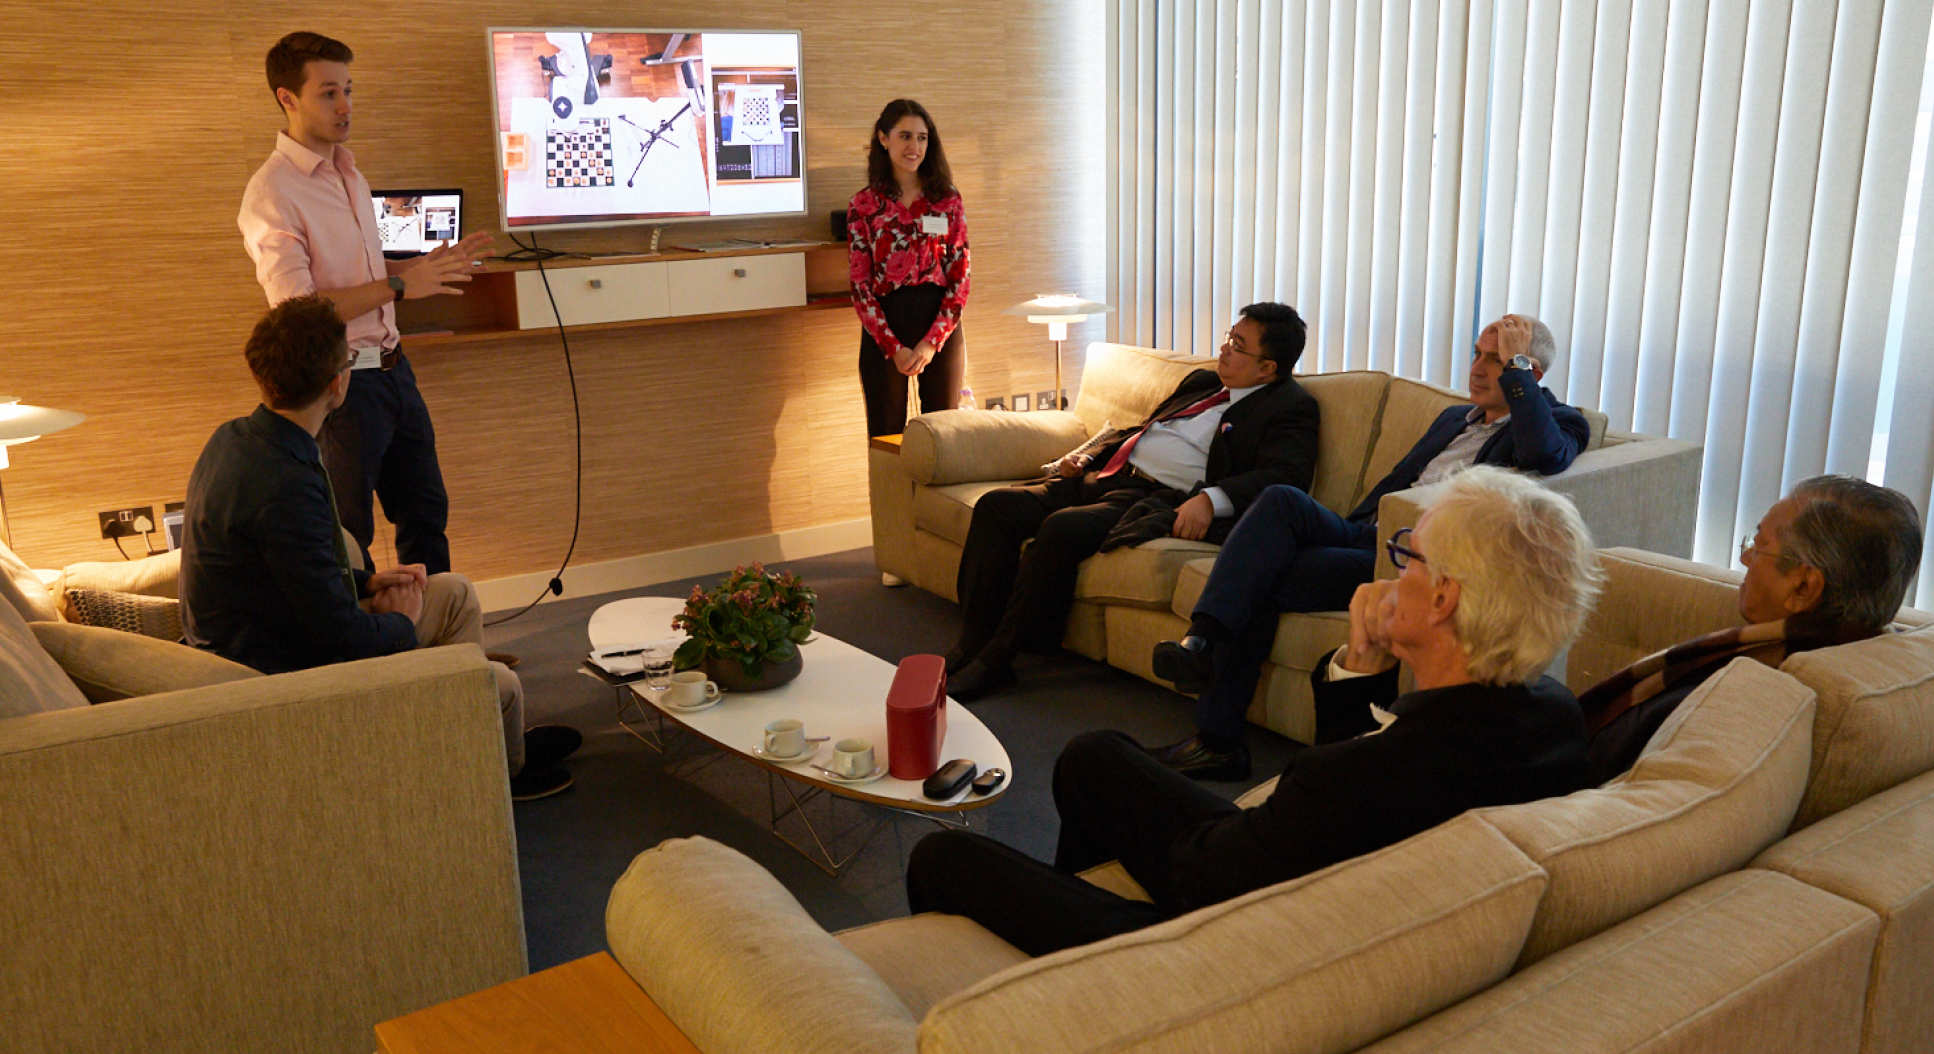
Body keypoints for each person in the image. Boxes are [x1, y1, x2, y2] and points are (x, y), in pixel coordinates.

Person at [905, 467, 1602, 955]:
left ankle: (1093, 973)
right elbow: (1372, 780)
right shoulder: (1556, 718)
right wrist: (1359, 662)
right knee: (1095, 756)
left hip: (1222, 941)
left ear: (1444, 600)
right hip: (1307, 884)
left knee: (944, 856)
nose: (1390, 575)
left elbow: (1218, 869)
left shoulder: (1352, 779)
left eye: (1407, 558)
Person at [1149, 313, 1588, 779]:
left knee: (1262, 576)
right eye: (1476, 354)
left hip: (1409, 557)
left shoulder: (1559, 423)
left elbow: (1546, 455)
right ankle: (1200, 641)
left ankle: (1217, 736)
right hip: (1366, 531)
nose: (1477, 369)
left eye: (1496, 361)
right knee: (1281, 500)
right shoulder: (1453, 417)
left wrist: (1518, 371)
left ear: (1529, 372)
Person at [179, 296, 576, 802]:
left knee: (452, 591)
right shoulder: (284, 482)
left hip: (280, 629)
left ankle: (472, 745)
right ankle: (498, 777)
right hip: (281, 669)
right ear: (338, 383)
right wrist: (401, 623)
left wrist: (365, 583)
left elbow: (284, 570)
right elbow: (337, 637)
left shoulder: (241, 438)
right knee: (500, 684)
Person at [945, 303, 1322, 700]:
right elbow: (1141, 429)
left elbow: (1284, 477)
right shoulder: (1203, 383)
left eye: (1238, 345)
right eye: (1230, 336)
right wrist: (1088, 455)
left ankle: (997, 661)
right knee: (996, 505)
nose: (1225, 349)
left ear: (1268, 368)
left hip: (1153, 496)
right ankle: (971, 642)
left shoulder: (1290, 408)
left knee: (1061, 529)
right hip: (1108, 473)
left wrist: (1212, 499)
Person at [238, 31, 494, 578]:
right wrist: (401, 287)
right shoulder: (272, 193)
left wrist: (421, 268)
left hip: (396, 373)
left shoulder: (350, 174)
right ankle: (371, 656)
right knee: (348, 536)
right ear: (288, 98)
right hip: (341, 387)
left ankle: (444, 650)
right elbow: (299, 314)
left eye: (349, 90)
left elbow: (364, 275)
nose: (346, 106)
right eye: (329, 93)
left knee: (426, 516)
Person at [1578, 475, 1922, 784]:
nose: (1745, 559)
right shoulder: (1882, 669)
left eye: (1759, 546)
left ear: (1803, 588)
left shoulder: (1723, 703)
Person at [846, 99, 970, 439]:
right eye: (904, 136)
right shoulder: (864, 205)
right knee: (888, 442)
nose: (914, 147)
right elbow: (860, 285)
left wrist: (931, 344)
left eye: (922, 138)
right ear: (884, 139)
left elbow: (960, 277)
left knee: (943, 440)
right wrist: (893, 347)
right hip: (885, 327)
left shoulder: (947, 199)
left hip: (939, 328)